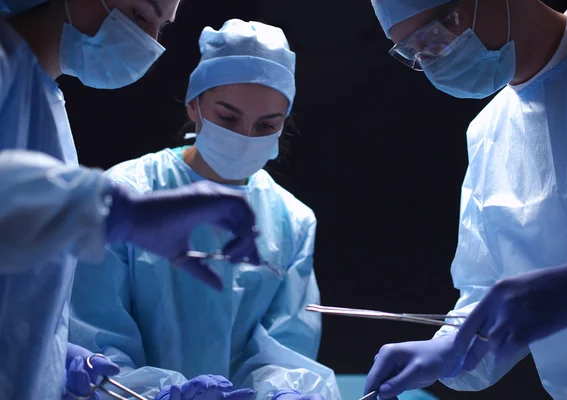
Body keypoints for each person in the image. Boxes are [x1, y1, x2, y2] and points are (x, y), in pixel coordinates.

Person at [0, 1, 262, 399]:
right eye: (140, 16)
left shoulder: (42, 100)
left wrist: (52, 354)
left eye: (161, 28)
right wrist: (117, 212)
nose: (147, 43)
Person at [68, 19, 341, 400]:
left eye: (266, 125)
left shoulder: (292, 220)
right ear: (193, 105)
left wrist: (283, 391)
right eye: (228, 118)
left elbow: (288, 346)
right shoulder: (130, 194)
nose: (245, 137)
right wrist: (152, 393)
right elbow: (95, 332)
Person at [364, 0, 567, 398]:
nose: (430, 60)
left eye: (433, 36)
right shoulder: (489, 132)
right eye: (414, 52)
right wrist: (454, 345)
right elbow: (488, 288)